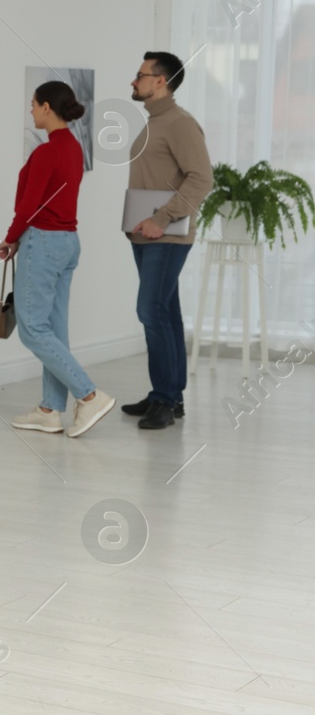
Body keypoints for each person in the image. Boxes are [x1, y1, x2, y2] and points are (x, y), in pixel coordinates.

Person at [0, 81, 116, 437]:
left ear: (47, 107)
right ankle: (50, 410)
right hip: (68, 242)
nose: (31, 111)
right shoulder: (73, 149)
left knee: (33, 329)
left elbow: (29, 205)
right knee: (54, 329)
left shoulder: (47, 152)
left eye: (33, 105)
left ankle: (89, 394)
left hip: (43, 243)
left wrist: (11, 239)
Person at [123, 51, 213, 430]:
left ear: (161, 81)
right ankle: (170, 397)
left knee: (150, 311)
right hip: (145, 234)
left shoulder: (179, 123)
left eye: (141, 75)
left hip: (166, 235)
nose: (134, 80)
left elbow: (201, 179)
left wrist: (162, 219)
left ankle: (164, 397)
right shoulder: (154, 122)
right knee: (165, 312)